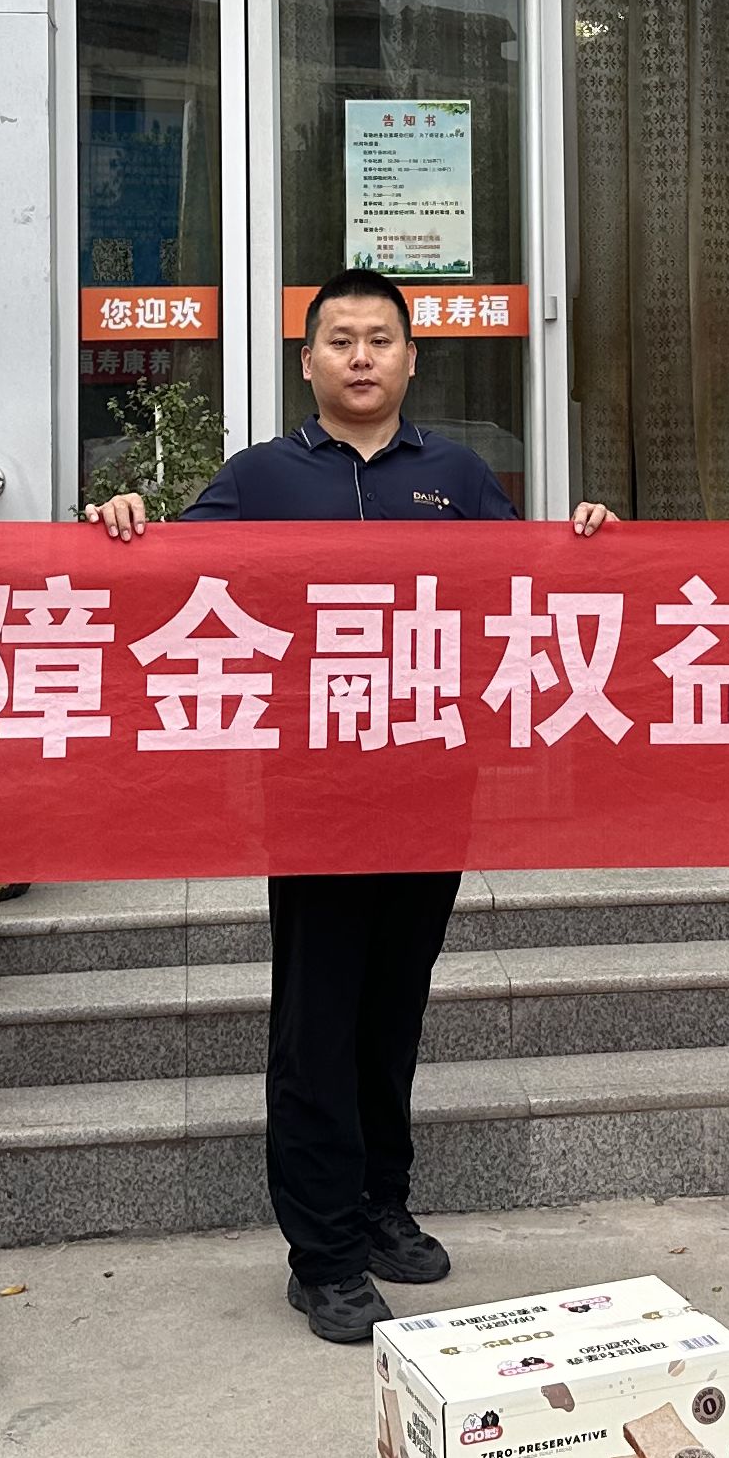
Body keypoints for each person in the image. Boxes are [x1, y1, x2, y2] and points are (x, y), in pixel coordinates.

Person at [88, 265, 616, 1343]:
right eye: (341, 340)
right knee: (318, 1019)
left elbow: (526, 584)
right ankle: (322, 1252)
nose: (361, 356)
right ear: (309, 362)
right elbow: (168, 581)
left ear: (412, 359)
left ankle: (381, 1203)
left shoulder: (457, 474)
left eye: (381, 339)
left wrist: (590, 539)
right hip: (315, 791)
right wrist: (120, 521)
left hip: (430, 779)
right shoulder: (260, 476)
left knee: (393, 1007)